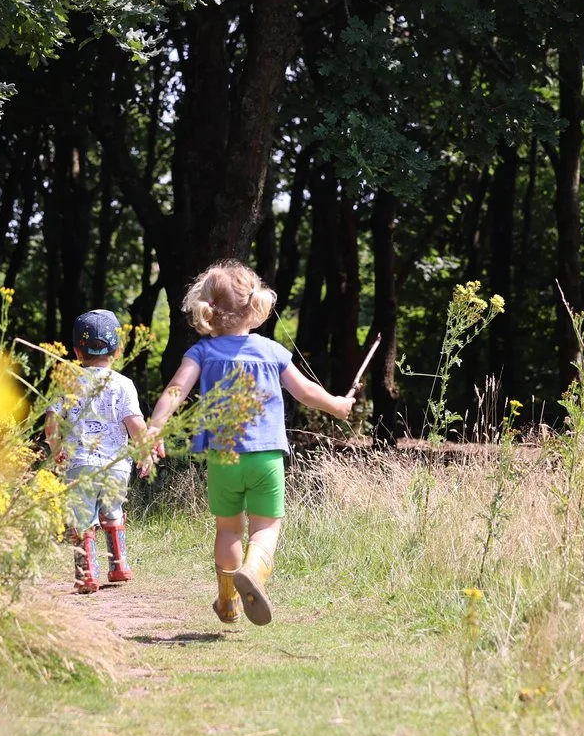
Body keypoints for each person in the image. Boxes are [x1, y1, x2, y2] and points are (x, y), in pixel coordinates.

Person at [144, 260, 358, 625]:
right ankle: (254, 572)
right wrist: (338, 405)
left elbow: (176, 390)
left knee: (228, 528)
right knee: (266, 527)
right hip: (267, 459)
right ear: (254, 306)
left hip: (223, 458)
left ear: (207, 309)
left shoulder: (203, 352)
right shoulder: (272, 351)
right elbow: (306, 393)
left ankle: (228, 600)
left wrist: (153, 429)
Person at [44, 309, 148, 594]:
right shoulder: (124, 384)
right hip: (116, 465)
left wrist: (56, 451)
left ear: (77, 351)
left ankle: (87, 573)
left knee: (82, 518)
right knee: (113, 513)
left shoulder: (68, 380)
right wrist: (146, 452)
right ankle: (119, 566)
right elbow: (135, 423)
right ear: (118, 349)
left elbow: (51, 422)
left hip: (78, 462)